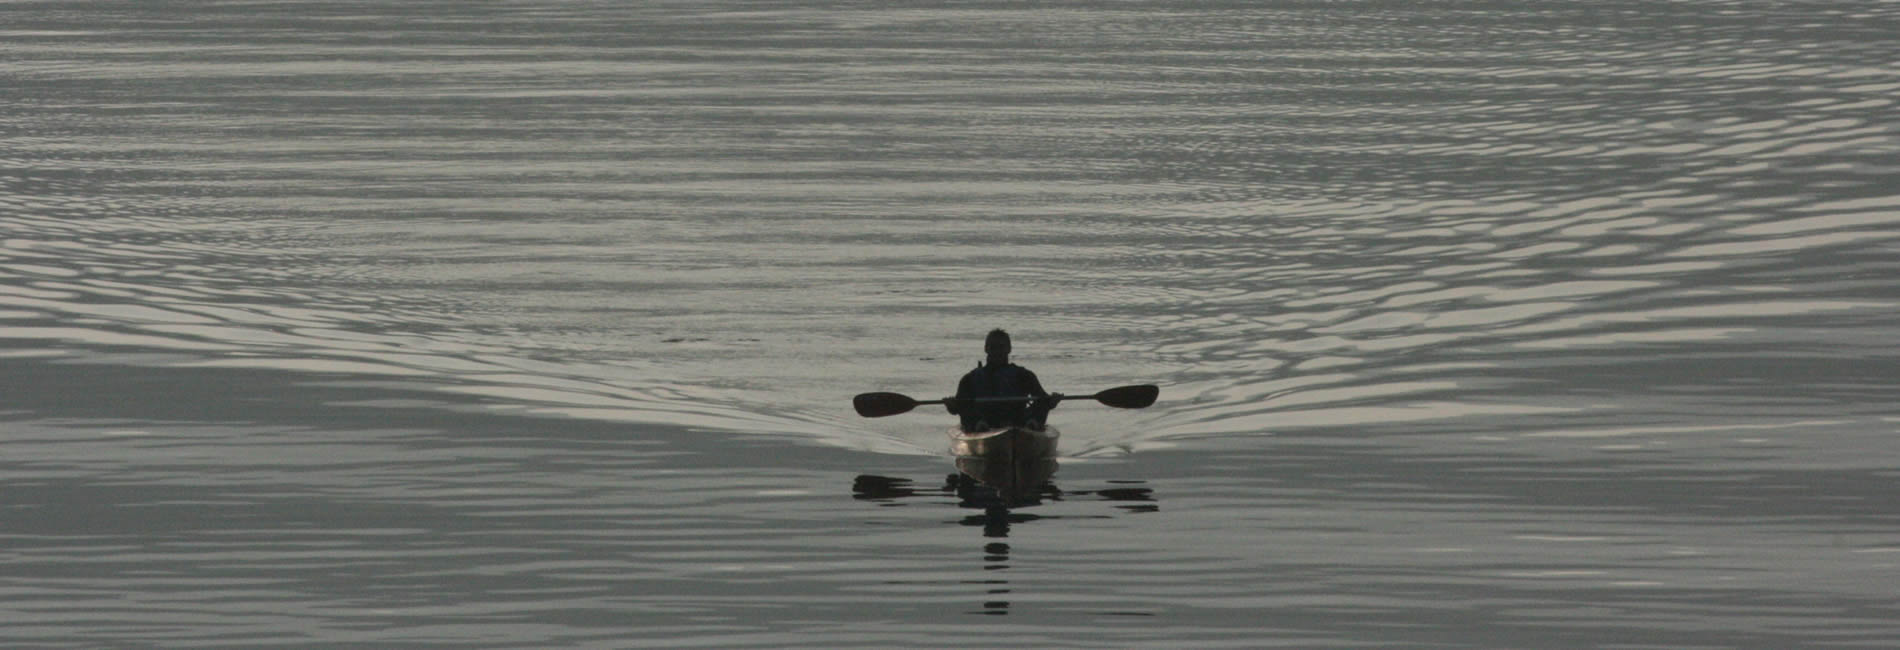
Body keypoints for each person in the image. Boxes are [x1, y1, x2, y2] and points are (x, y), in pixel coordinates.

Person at [946, 329, 1061, 432]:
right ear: (986, 349)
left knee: (1041, 402)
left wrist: (1052, 401)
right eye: (993, 347)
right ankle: (978, 425)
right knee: (966, 407)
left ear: (1009, 349)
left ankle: (1032, 424)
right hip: (984, 421)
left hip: (1018, 421)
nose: (997, 351)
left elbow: (1043, 400)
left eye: (1001, 347)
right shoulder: (969, 379)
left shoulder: (1024, 375)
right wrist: (951, 405)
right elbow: (957, 408)